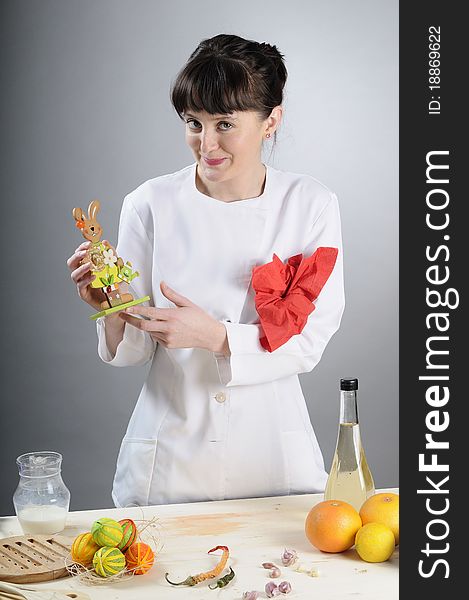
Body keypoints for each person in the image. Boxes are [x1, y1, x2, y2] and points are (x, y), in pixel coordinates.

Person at [67, 33, 345, 508]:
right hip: (171, 458)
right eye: (193, 123)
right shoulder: (149, 203)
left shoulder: (310, 205)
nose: (206, 143)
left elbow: (308, 341)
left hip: (272, 455)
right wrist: (112, 307)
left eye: (224, 124)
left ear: (270, 120)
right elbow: (134, 350)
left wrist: (217, 337)